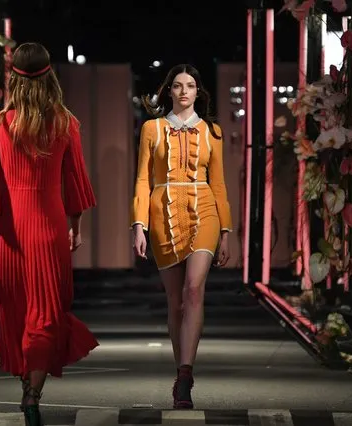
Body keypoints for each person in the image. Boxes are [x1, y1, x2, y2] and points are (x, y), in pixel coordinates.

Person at [0, 42, 98, 425]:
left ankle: (29, 384)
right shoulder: (65, 123)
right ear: (50, 77)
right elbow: (75, 182)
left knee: (19, 311)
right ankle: (33, 393)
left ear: (14, 80)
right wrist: (75, 228)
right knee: (46, 314)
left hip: (9, 234)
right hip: (50, 229)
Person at [131, 64, 232, 409]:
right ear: (169, 91)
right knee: (175, 301)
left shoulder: (212, 133)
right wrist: (138, 225)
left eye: (190, 85)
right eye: (177, 85)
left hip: (204, 209)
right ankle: (180, 368)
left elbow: (218, 183)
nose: (184, 91)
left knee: (193, 289)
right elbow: (143, 179)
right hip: (163, 213)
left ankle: (186, 376)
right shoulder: (151, 129)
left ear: (198, 92)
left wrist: (227, 232)